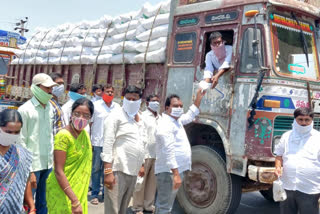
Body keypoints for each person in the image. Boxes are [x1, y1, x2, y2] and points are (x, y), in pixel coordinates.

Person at [154, 88, 206, 214]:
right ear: (167, 108)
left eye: (181, 106)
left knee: (168, 204)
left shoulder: (176, 121)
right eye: (175, 106)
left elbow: (190, 115)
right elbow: (168, 150)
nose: (179, 108)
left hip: (175, 170)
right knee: (164, 205)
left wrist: (199, 97)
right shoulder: (165, 124)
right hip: (168, 172)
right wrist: (176, 174)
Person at [101, 85, 146, 214]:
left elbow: (142, 142)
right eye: (128, 98)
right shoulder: (115, 116)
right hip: (117, 170)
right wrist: (108, 171)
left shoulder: (140, 118)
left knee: (123, 208)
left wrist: (142, 164)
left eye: (135, 98)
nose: (131, 101)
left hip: (132, 170)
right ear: (123, 99)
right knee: (113, 209)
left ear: (140, 101)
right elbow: (108, 143)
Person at [18, 73, 58, 214]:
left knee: (44, 202)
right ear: (36, 88)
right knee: (28, 203)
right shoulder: (25, 110)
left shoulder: (50, 109)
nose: (50, 91)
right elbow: (21, 141)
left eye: (51, 88)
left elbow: (49, 137)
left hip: (47, 163)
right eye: (47, 88)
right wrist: (29, 170)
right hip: (32, 166)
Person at [46, 98, 94, 214]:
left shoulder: (85, 135)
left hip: (79, 191)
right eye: (77, 114)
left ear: (90, 118)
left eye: (86, 115)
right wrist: (74, 200)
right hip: (62, 191)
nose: (81, 118)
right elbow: (58, 171)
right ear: (71, 114)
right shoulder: (63, 136)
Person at [274, 107, 320, 214]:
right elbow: (279, 156)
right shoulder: (286, 136)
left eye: (307, 120)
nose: (304, 123)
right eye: (300, 119)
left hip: (310, 188)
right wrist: (278, 167)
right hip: (287, 186)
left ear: (311, 120)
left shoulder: (318, 138)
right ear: (295, 120)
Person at [0, 109, 35, 213]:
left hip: (16, 209)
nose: (12, 135)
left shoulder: (21, 154)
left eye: (17, 132)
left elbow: (25, 182)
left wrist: (32, 206)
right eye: (8, 132)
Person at [90, 84, 120, 205]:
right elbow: (90, 124)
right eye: (107, 92)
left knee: (108, 170)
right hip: (98, 142)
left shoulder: (117, 107)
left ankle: (106, 194)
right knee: (96, 168)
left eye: (112, 92)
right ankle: (95, 194)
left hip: (111, 143)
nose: (110, 94)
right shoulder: (96, 106)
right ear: (102, 93)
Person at [132, 94, 161, 214]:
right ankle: (137, 207)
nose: (156, 103)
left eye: (158, 101)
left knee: (152, 183)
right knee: (141, 182)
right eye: (154, 101)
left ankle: (148, 205)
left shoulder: (160, 117)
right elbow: (139, 135)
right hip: (145, 154)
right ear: (148, 103)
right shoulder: (143, 116)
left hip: (156, 154)